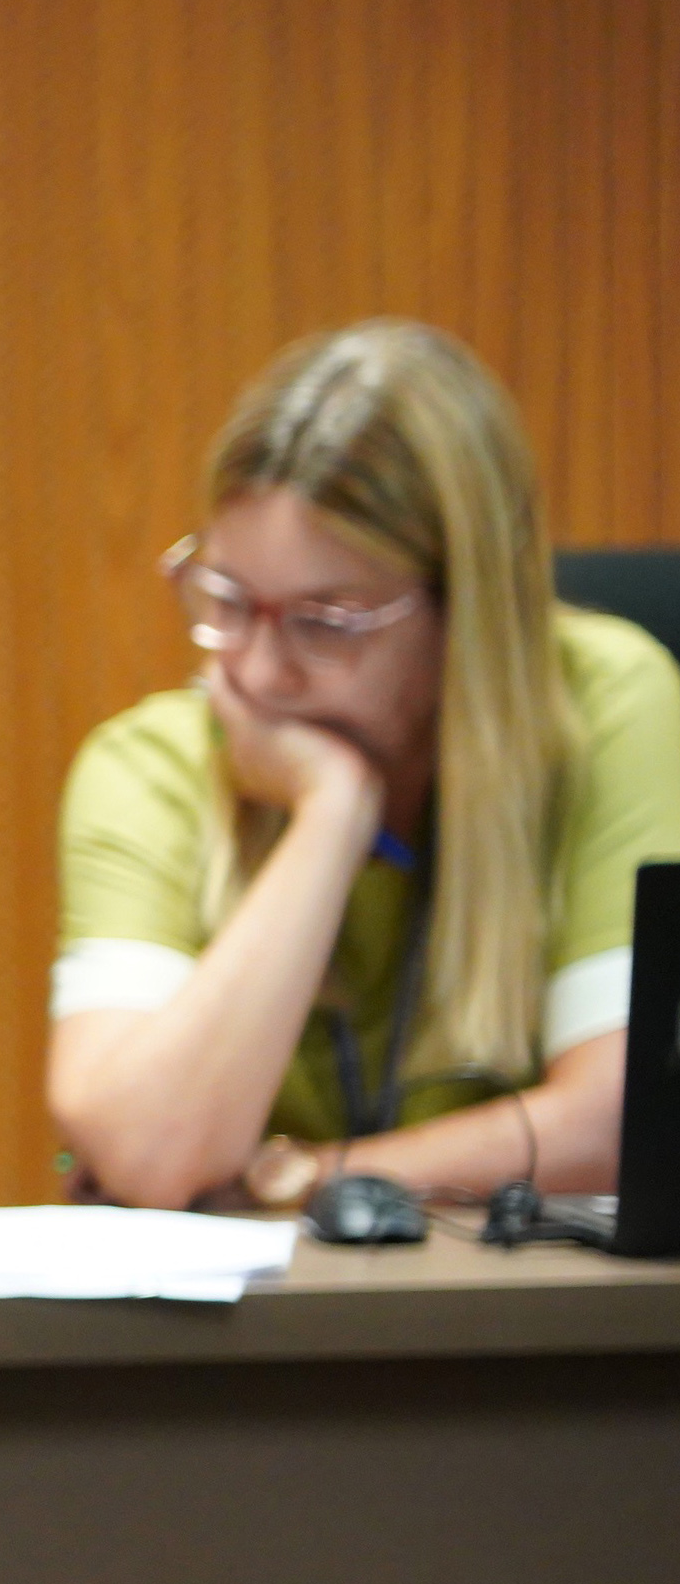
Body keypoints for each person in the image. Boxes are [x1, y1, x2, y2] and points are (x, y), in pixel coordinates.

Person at [51, 320, 680, 1211]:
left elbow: (621, 1122)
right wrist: (331, 811)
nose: (259, 671)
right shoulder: (148, 766)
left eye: (326, 622)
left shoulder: (607, 706)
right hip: (251, 1305)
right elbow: (147, 1154)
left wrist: (312, 1176)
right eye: (228, 599)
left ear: (466, 610)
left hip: (515, 1296)